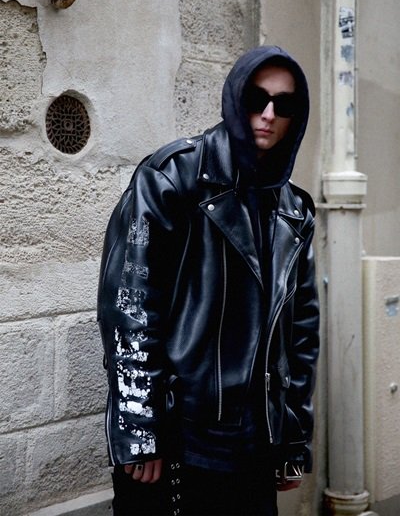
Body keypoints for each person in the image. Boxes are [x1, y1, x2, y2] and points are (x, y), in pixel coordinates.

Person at [98, 45, 320, 516]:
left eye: (284, 105)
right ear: (235, 98)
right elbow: (130, 307)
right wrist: (140, 429)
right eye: (257, 98)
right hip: (179, 438)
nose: (268, 114)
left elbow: (301, 333)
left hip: (255, 444)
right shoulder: (172, 177)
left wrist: (293, 439)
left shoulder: (294, 210)